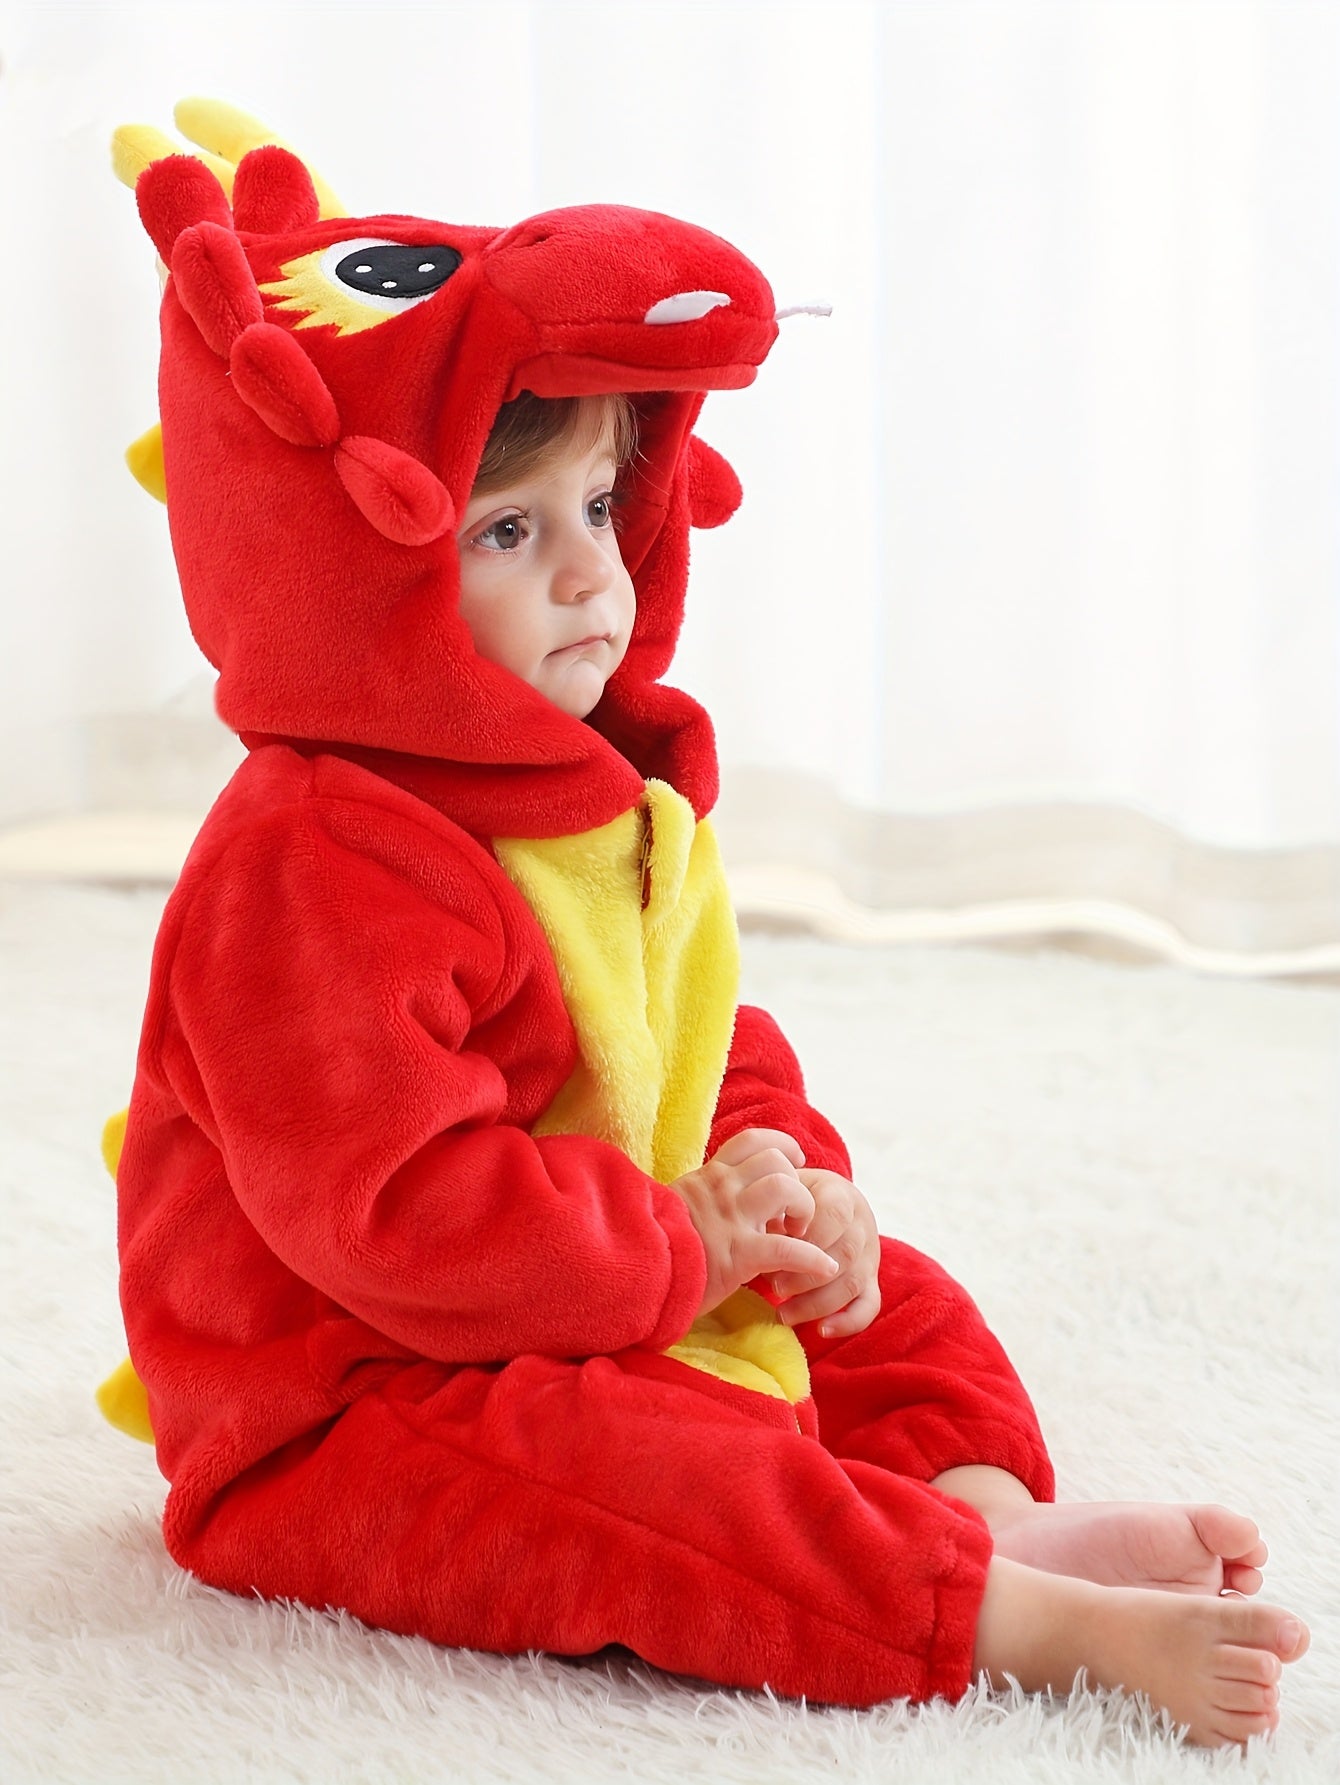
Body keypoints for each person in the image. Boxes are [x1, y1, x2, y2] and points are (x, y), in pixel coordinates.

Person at [106, 126, 1307, 1752]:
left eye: (601, 502)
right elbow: (395, 1212)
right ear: (345, 564)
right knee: (640, 1487)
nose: (591, 574)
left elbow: (693, 1034)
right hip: (366, 1394)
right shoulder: (311, 861)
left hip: (615, 1265)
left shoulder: (594, 784)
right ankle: (1000, 1614)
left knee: (892, 1303)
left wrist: (785, 1180)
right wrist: (683, 1241)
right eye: (507, 531)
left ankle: (981, 1510)